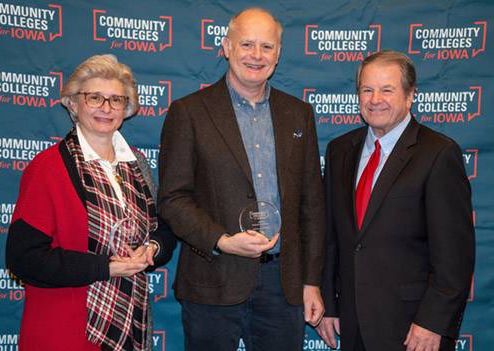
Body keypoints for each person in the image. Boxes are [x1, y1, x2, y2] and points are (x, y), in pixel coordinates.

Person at [158, 7, 326, 351]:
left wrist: (311, 281)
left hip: (284, 285)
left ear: (278, 55)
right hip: (212, 279)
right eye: (246, 44)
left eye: (267, 47)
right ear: (226, 47)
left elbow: (312, 204)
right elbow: (173, 199)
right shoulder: (188, 112)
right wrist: (221, 239)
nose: (256, 55)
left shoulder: (299, 114)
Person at [6, 54, 176, 351]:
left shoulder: (137, 165)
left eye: (116, 100)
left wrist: (152, 249)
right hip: (64, 330)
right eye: (95, 97)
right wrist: (104, 267)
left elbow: (162, 229)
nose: (106, 108)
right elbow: (24, 259)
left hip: (131, 324)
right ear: (73, 103)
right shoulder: (47, 167)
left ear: (128, 108)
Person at [316, 50, 475, 351]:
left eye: (387, 89)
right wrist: (330, 303)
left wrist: (432, 322)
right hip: (352, 323)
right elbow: (332, 238)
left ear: (410, 95)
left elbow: (454, 257)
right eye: (367, 89)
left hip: (412, 327)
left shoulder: (438, 154)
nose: (375, 99)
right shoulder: (340, 151)